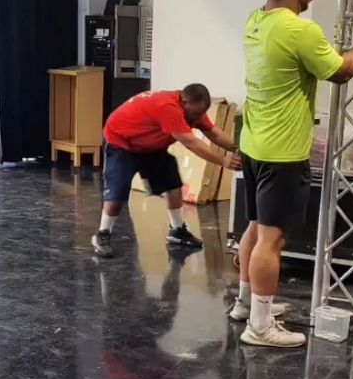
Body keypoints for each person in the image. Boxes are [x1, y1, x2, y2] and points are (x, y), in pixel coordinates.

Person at [235, 0, 353, 348]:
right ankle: (260, 326)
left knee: (254, 228)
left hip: (253, 145)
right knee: (273, 239)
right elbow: (341, 70)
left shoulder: (258, 20)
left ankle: (247, 304)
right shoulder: (302, 32)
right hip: (282, 153)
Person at [91, 84, 242, 257]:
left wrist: (241, 150)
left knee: (174, 185)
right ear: (185, 102)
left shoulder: (193, 110)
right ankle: (103, 233)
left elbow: (214, 133)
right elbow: (191, 143)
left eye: (202, 113)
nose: (199, 118)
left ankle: (177, 231)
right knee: (117, 194)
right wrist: (224, 160)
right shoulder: (168, 108)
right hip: (122, 142)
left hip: (150, 146)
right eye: (197, 113)